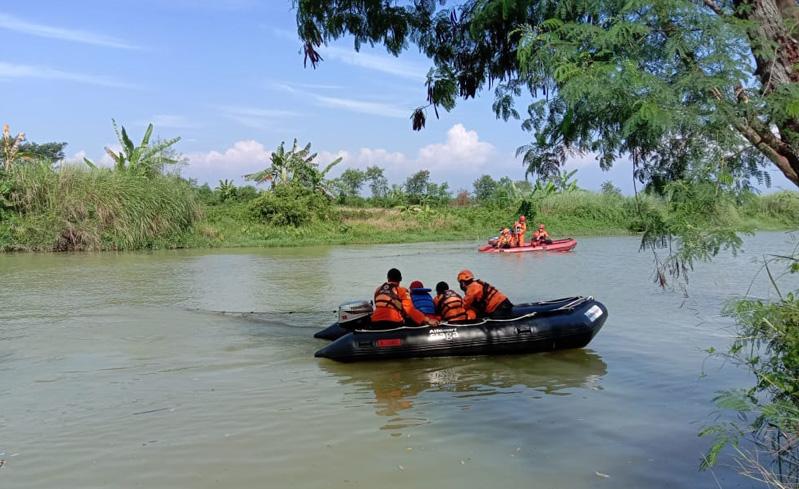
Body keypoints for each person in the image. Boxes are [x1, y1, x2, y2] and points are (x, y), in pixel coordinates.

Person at [371, 268, 438, 328]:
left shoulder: (377, 290)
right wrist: (428, 320)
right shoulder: (402, 291)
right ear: (400, 279)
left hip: (375, 322)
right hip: (394, 322)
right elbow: (409, 310)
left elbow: (379, 306)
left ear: (388, 278)